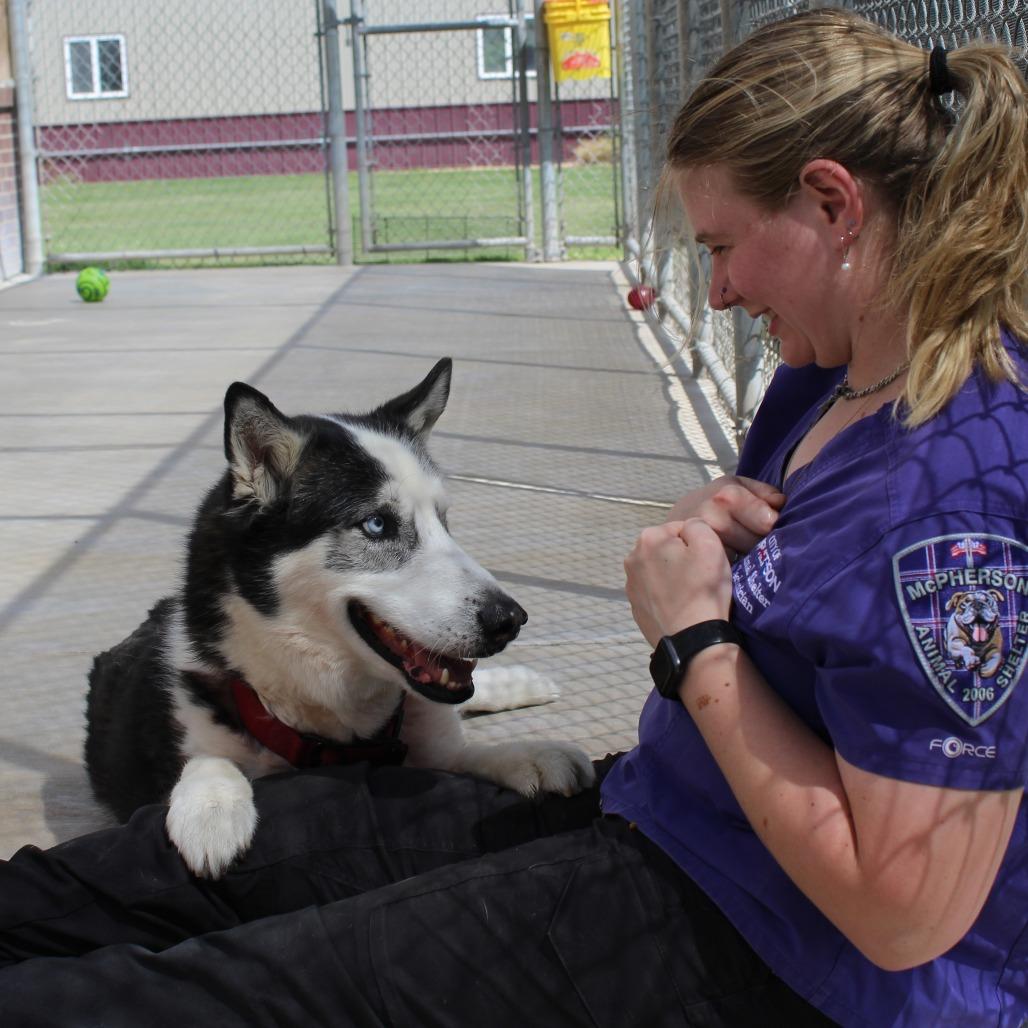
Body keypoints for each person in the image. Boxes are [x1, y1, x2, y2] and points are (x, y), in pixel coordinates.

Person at [1, 9, 1026, 1026]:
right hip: (665, 812)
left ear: (831, 203)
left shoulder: (954, 497)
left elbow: (905, 913)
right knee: (158, 871)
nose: (713, 291)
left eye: (721, 245)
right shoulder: (831, 378)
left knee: (208, 988)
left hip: (766, 948)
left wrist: (697, 642)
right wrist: (707, 540)